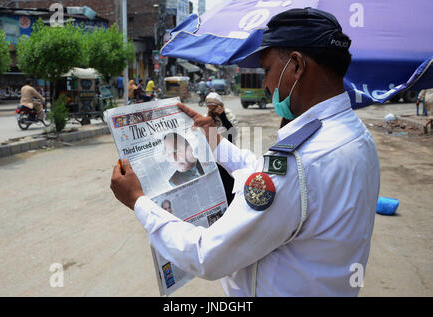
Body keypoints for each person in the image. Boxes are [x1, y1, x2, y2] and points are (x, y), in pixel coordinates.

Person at [111, 8, 380, 296]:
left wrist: (138, 201)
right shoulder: (356, 136)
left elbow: (208, 256)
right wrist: (214, 141)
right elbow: (262, 171)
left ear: (297, 66)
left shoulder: (300, 161)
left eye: (267, 70)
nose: (265, 84)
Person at [205, 91, 239, 205]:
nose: (212, 109)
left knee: (231, 188)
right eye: (209, 107)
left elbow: (232, 134)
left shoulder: (228, 114)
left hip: (228, 157)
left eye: (213, 107)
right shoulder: (207, 117)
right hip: (214, 160)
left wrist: (223, 117)